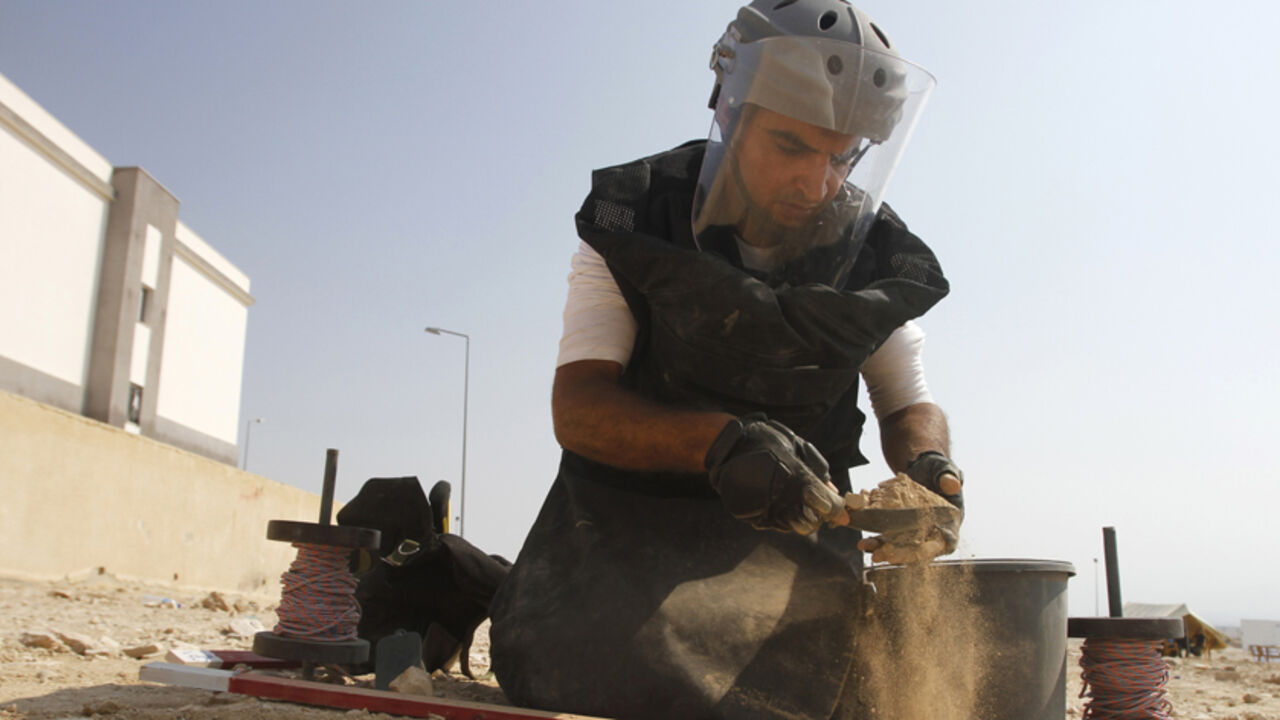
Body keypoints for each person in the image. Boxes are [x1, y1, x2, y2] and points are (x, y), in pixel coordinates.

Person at [489, 2, 962, 717]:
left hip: (793, 543)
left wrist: (930, 468)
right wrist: (718, 444)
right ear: (731, 110)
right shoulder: (637, 217)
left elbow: (907, 404)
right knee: (597, 664)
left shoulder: (872, 253)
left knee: (848, 688)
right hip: (623, 529)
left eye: (843, 156)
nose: (819, 184)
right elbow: (579, 408)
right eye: (793, 146)